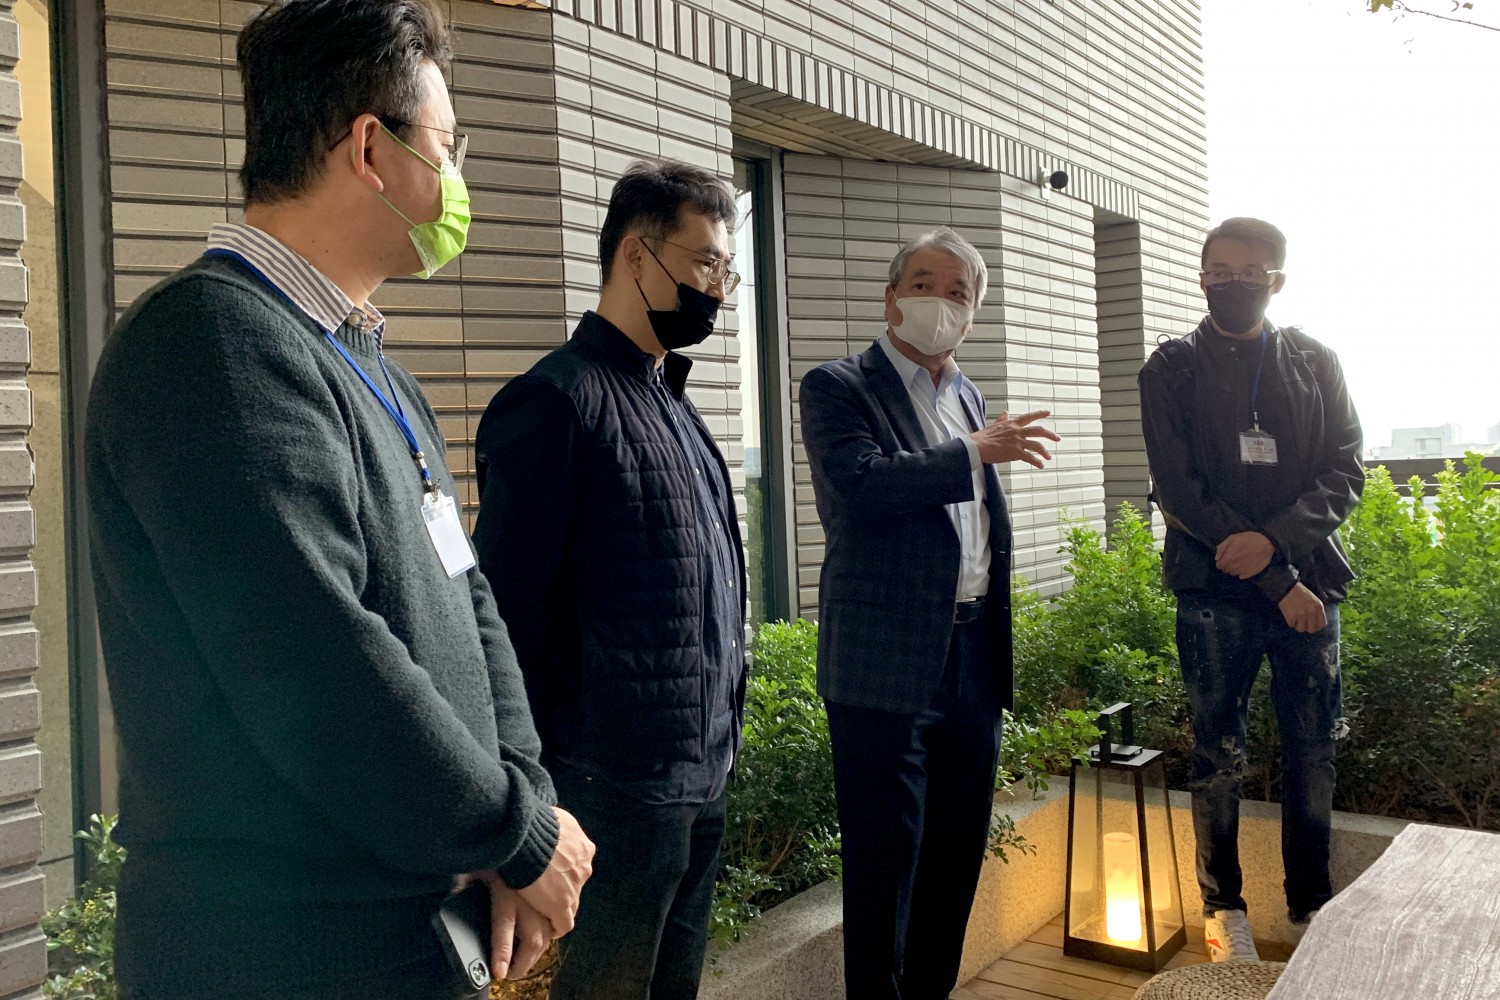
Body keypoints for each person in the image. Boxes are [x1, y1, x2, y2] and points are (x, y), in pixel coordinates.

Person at [84, 2, 594, 997]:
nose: (458, 177)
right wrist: (515, 833)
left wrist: (521, 806)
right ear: (370, 148)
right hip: (279, 949)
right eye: (448, 145)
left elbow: (471, 602)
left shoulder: (372, 370)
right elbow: (316, 660)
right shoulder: (210, 346)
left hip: (399, 931)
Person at [472, 159, 746, 999]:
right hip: (612, 792)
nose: (718, 290)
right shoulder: (554, 401)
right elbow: (506, 619)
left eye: (726, 272)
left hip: (699, 782)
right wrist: (532, 801)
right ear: (636, 255)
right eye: (706, 264)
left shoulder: (676, 406)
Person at [799, 227, 1061, 1000]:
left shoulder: (967, 397)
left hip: (972, 655)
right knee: (884, 866)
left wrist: (975, 445)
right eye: (923, 284)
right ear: (891, 298)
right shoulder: (837, 385)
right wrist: (973, 452)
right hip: (883, 663)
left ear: (972, 315)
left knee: (955, 855)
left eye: (957, 292)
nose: (939, 302)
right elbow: (859, 486)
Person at [1138, 217, 1363, 962]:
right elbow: (1178, 490)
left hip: (1311, 587)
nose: (1234, 282)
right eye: (1221, 271)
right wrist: (1275, 577)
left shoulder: (1315, 361)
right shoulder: (1169, 369)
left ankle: (1310, 908)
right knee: (1217, 754)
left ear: (1278, 281)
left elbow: (1346, 469)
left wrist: (1277, 546)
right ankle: (1223, 914)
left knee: (1313, 750)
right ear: (1202, 277)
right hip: (1215, 590)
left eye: (1251, 271)